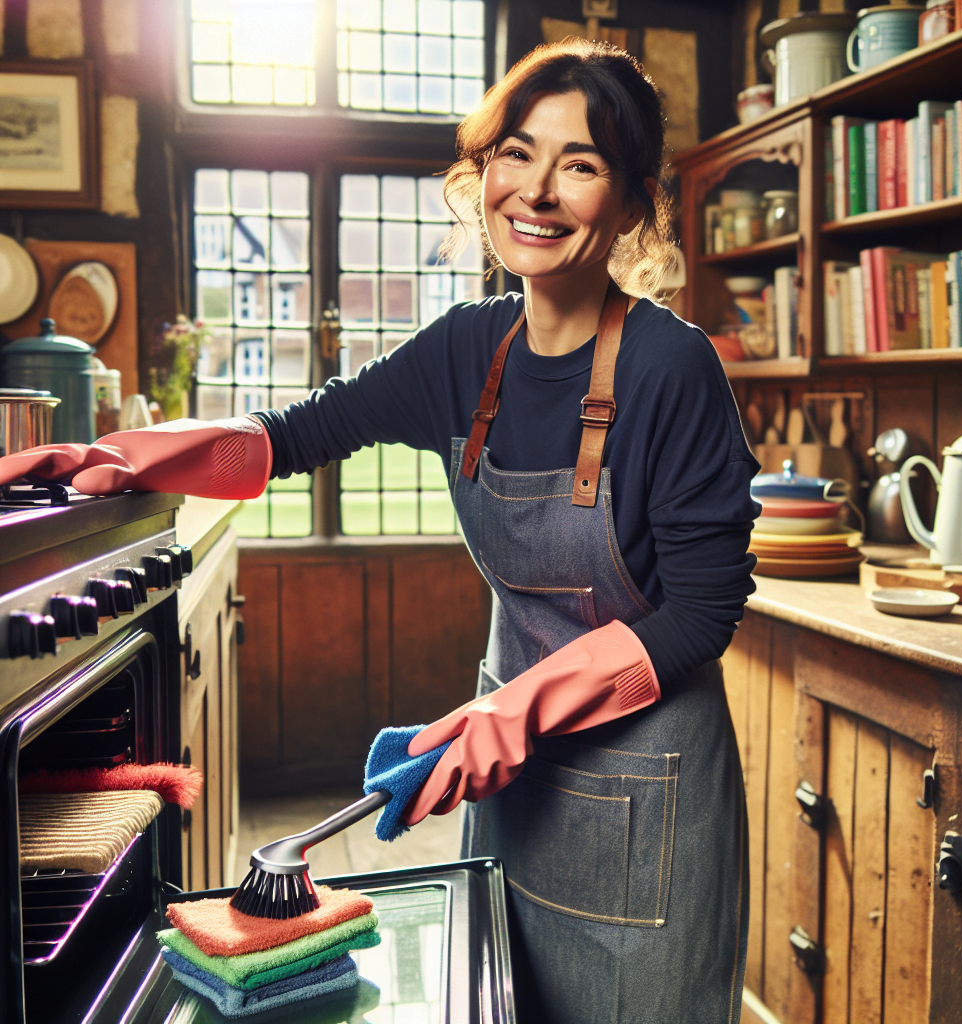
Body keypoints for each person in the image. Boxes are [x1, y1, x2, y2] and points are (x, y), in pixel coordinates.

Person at [0, 38, 759, 1024]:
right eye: (516, 154)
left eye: (580, 163)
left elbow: (702, 611)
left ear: (628, 203)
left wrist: (514, 714)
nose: (536, 189)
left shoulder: (673, 367)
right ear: (482, 174)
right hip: (515, 785)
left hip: (646, 791)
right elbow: (295, 434)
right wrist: (121, 458)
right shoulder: (464, 349)